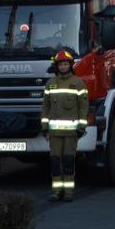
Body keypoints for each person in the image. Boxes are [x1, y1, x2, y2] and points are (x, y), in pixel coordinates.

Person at [41, 48, 89, 202]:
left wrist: (81, 127)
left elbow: (83, 107)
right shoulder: (50, 84)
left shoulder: (78, 83)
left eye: (65, 64)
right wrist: (45, 128)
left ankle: (68, 192)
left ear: (70, 65)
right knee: (55, 162)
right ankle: (56, 192)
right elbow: (45, 107)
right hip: (54, 134)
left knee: (68, 161)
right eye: (60, 64)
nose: (63, 67)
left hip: (71, 134)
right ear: (57, 66)